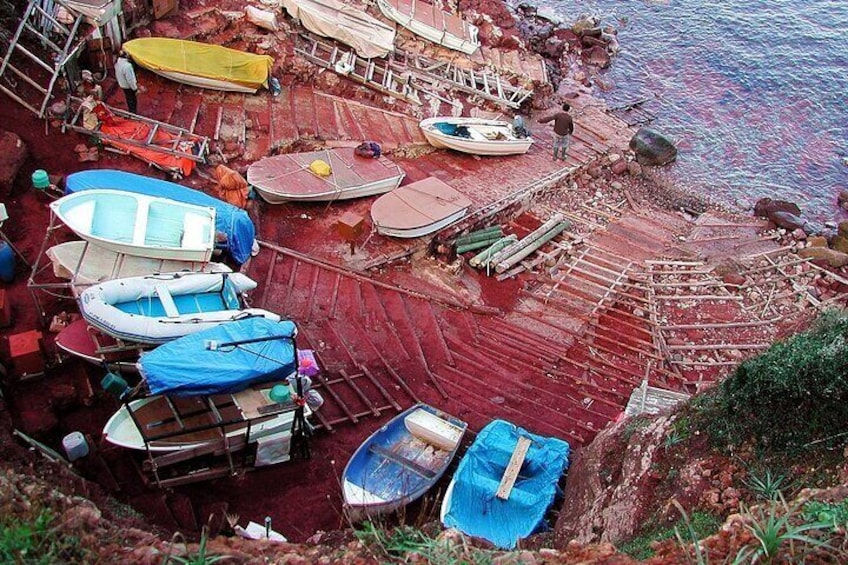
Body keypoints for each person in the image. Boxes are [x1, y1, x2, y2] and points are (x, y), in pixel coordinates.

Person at [114, 49, 139, 114]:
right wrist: (135, 88)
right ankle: (133, 114)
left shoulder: (117, 63)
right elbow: (130, 79)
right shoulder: (127, 66)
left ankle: (131, 112)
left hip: (122, 84)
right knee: (132, 100)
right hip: (128, 86)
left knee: (128, 98)